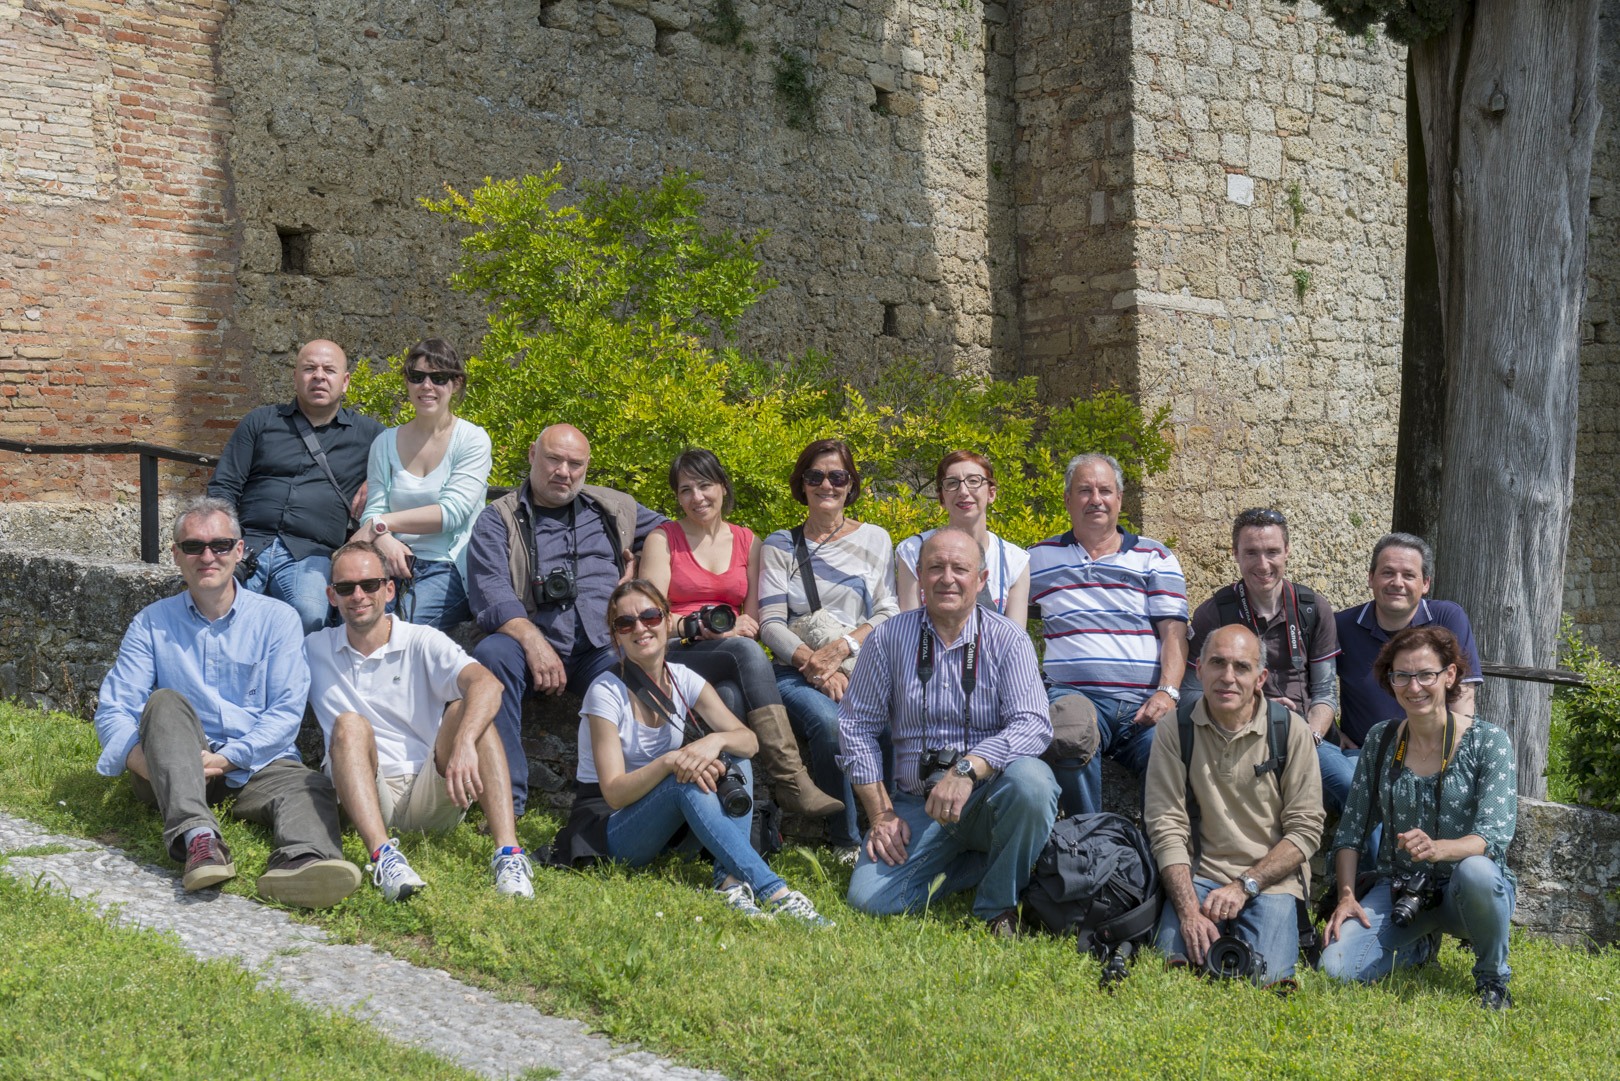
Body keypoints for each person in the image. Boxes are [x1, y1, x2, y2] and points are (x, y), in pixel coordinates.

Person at [92, 495, 361, 908]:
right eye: (193, 547)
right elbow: (114, 711)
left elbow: (286, 710)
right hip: (176, 759)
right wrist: (160, 766)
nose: (207, 556)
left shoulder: (277, 619)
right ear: (176, 556)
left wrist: (228, 758)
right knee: (164, 702)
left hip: (255, 763)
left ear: (238, 551)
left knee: (309, 785)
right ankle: (199, 840)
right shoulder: (152, 623)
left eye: (219, 545)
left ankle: (302, 863)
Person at [548, 580, 829, 923]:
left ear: (667, 621)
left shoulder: (683, 678)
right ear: (616, 636)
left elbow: (749, 742)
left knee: (733, 757)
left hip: (661, 824)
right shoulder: (605, 692)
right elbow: (615, 792)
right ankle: (777, 893)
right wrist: (670, 762)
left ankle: (729, 884)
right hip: (608, 826)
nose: (640, 628)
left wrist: (715, 741)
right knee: (683, 776)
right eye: (625, 623)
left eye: (650, 616)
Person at [840, 529, 1058, 933]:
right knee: (868, 899)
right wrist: (881, 814)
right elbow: (856, 726)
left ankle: (997, 906)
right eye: (935, 567)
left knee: (1033, 783)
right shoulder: (888, 638)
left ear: (982, 579)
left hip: (989, 796)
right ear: (919, 576)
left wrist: (967, 769)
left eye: (960, 568)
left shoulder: (1008, 639)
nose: (947, 578)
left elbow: (1033, 724)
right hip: (917, 803)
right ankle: (989, 863)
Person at [305, 541, 534, 902]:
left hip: (431, 789)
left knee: (470, 712)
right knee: (348, 723)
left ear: (389, 589)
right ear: (332, 596)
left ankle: (509, 855)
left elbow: (488, 685)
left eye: (370, 584)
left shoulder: (421, 640)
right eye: (346, 588)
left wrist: (463, 745)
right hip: (364, 790)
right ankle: (384, 858)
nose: (358, 595)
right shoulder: (313, 649)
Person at [465, 423, 666, 817]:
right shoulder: (498, 518)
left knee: (642, 678)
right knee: (491, 656)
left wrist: (640, 577)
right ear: (532, 456)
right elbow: (490, 591)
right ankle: (508, 801)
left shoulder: (613, 506)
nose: (564, 472)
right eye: (554, 459)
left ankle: (634, 806)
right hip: (530, 640)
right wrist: (533, 642)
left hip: (602, 644)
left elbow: (666, 531)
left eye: (575, 464)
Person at [1320, 625, 1518, 1010]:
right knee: (1335, 970)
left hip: (1468, 894)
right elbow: (1352, 830)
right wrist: (1346, 897)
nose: (1414, 687)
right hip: (1402, 890)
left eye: (1426, 674)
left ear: (1450, 675)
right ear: (1389, 681)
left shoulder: (1489, 742)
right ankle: (1418, 945)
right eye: (1402, 676)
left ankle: (1493, 978)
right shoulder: (1381, 739)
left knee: (1477, 870)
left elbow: (1492, 838)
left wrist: (1438, 848)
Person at [639, 448, 843, 817]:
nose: (696, 497)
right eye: (685, 490)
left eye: (704, 485)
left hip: (729, 658)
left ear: (723, 487)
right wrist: (703, 626)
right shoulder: (663, 538)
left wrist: (733, 631)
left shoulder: (749, 542)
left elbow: (751, 624)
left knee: (732, 699)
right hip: (675, 652)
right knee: (744, 652)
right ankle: (791, 779)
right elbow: (648, 619)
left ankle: (723, 821)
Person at [1144, 625, 1324, 989]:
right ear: (1199, 669)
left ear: (1261, 678)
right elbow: (1166, 824)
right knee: (1174, 973)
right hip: (1198, 874)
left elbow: (1306, 829)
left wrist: (1244, 886)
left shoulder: (1289, 730)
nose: (1228, 677)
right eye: (1218, 663)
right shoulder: (1175, 728)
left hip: (1271, 882)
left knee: (1269, 980)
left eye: (1241, 667)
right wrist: (1189, 912)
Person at [757, 438, 900, 856]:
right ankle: (846, 841)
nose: (827, 485)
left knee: (889, 728)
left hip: (857, 666)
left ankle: (890, 828)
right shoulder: (779, 544)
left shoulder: (875, 539)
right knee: (831, 725)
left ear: (850, 484)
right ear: (802, 484)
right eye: (815, 476)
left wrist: (841, 649)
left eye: (837, 476)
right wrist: (814, 664)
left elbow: (889, 611)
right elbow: (769, 623)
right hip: (794, 670)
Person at [1027, 452, 1189, 816]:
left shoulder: (1154, 556)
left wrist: (1168, 693)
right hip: (1076, 696)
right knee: (1069, 731)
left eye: (1105, 490)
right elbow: (1001, 618)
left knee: (1174, 756)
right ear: (1068, 499)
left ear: (1119, 499)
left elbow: (1175, 634)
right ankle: (1088, 839)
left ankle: (1161, 862)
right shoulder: (1037, 559)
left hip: (1145, 704)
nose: (1095, 499)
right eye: (1084, 491)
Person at [208, 339, 384, 634]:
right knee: (213, 606)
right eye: (309, 369)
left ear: (345, 382)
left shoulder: (372, 436)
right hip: (248, 544)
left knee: (310, 615)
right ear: (295, 378)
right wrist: (225, 542)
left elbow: (413, 467)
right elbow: (224, 485)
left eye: (329, 370)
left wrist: (378, 478)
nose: (319, 376)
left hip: (311, 554)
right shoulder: (260, 422)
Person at [1181, 508, 1343, 804]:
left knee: (1350, 785)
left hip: (1302, 735)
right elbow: (1191, 692)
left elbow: (1326, 691)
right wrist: (1252, 708)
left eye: (1272, 552)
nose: (1263, 564)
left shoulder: (1313, 608)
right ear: (1235, 554)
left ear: (1287, 552)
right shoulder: (1213, 613)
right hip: (1235, 736)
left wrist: (1312, 735)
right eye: (1251, 553)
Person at [1329, 533, 1484, 814]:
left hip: (1434, 753)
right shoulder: (1341, 626)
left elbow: (1462, 695)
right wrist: (1332, 730)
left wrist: (1453, 757)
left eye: (1408, 575)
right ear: (1371, 578)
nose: (1397, 583)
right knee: (1362, 797)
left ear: (1425, 584)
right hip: (1363, 755)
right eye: (1387, 572)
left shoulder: (1448, 618)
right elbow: (1310, 684)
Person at [351, 339, 492, 631]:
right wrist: (386, 539)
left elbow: (451, 513)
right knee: (355, 618)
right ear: (406, 381)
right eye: (417, 377)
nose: (426, 386)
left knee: (399, 629)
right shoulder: (385, 442)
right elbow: (372, 509)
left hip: (449, 567)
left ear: (456, 383)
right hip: (390, 562)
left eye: (438, 378)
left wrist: (380, 525)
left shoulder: (472, 440)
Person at [895, 450, 1030, 625]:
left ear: (991, 493)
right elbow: (908, 628)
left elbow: (1015, 639)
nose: (963, 491)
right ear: (941, 498)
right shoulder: (913, 550)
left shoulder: (1014, 560)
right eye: (952, 483)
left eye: (974, 481)